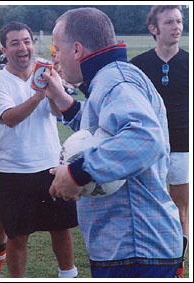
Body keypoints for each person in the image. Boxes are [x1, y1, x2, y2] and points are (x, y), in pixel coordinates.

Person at [43, 7, 184, 278]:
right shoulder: (111, 77)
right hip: (131, 249)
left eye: (56, 48)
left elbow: (145, 137)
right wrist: (65, 102)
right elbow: (105, 129)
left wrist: (77, 173)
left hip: (135, 250)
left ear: (76, 50)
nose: (56, 57)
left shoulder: (115, 80)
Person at [0, 21, 78, 278]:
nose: (22, 48)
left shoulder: (46, 71)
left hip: (51, 165)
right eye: (15, 43)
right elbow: (10, 118)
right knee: (17, 237)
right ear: (3, 49)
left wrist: (55, 89)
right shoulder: (0, 81)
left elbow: (58, 112)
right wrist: (39, 95)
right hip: (13, 171)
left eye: (26, 41)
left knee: (61, 228)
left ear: (33, 44)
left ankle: (68, 275)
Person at [130, 6, 189, 276]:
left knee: (181, 209)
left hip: (182, 147)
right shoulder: (138, 66)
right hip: (147, 148)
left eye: (179, 21)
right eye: (169, 22)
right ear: (154, 29)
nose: (177, 26)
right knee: (147, 206)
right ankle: (147, 261)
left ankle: (178, 264)